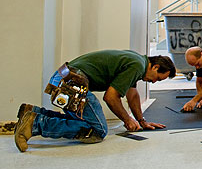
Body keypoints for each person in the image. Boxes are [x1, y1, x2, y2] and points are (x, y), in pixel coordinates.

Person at [14, 50, 176, 152]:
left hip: (62, 78)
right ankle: (36, 123)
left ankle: (33, 113)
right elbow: (111, 97)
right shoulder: (137, 66)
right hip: (71, 83)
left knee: (84, 120)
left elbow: (132, 94)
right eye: (158, 79)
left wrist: (141, 121)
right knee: (98, 130)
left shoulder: (136, 60)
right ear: (155, 67)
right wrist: (127, 119)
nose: (154, 82)